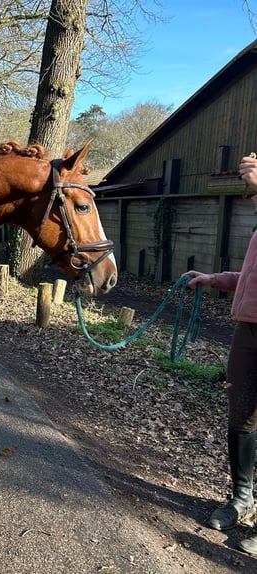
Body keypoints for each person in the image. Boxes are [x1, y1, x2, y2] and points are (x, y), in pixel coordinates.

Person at [184, 153, 257, 555]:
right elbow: (250, 278)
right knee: (241, 419)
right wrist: (212, 279)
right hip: (247, 330)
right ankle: (242, 498)